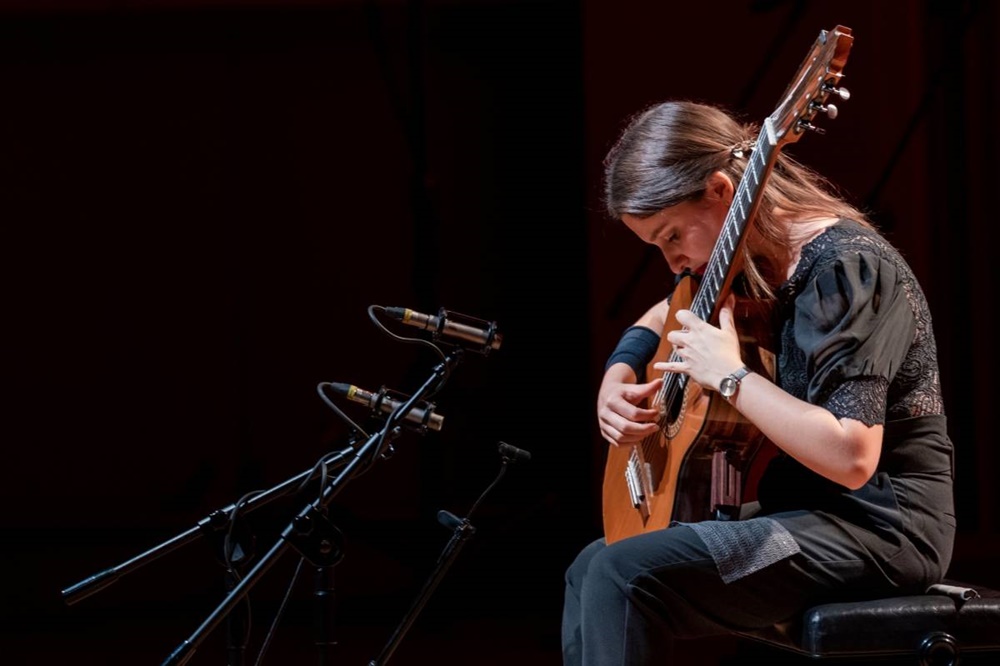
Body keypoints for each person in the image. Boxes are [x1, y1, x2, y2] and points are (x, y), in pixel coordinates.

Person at [561, 100, 956, 665]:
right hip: (802, 518)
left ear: (722, 191)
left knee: (623, 575)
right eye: (657, 246)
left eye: (671, 235)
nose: (674, 261)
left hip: (882, 530)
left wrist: (729, 374)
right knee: (590, 567)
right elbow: (665, 312)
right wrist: (619, 370)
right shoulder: (755, 261)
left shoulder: (845, 266)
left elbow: (852, 456)